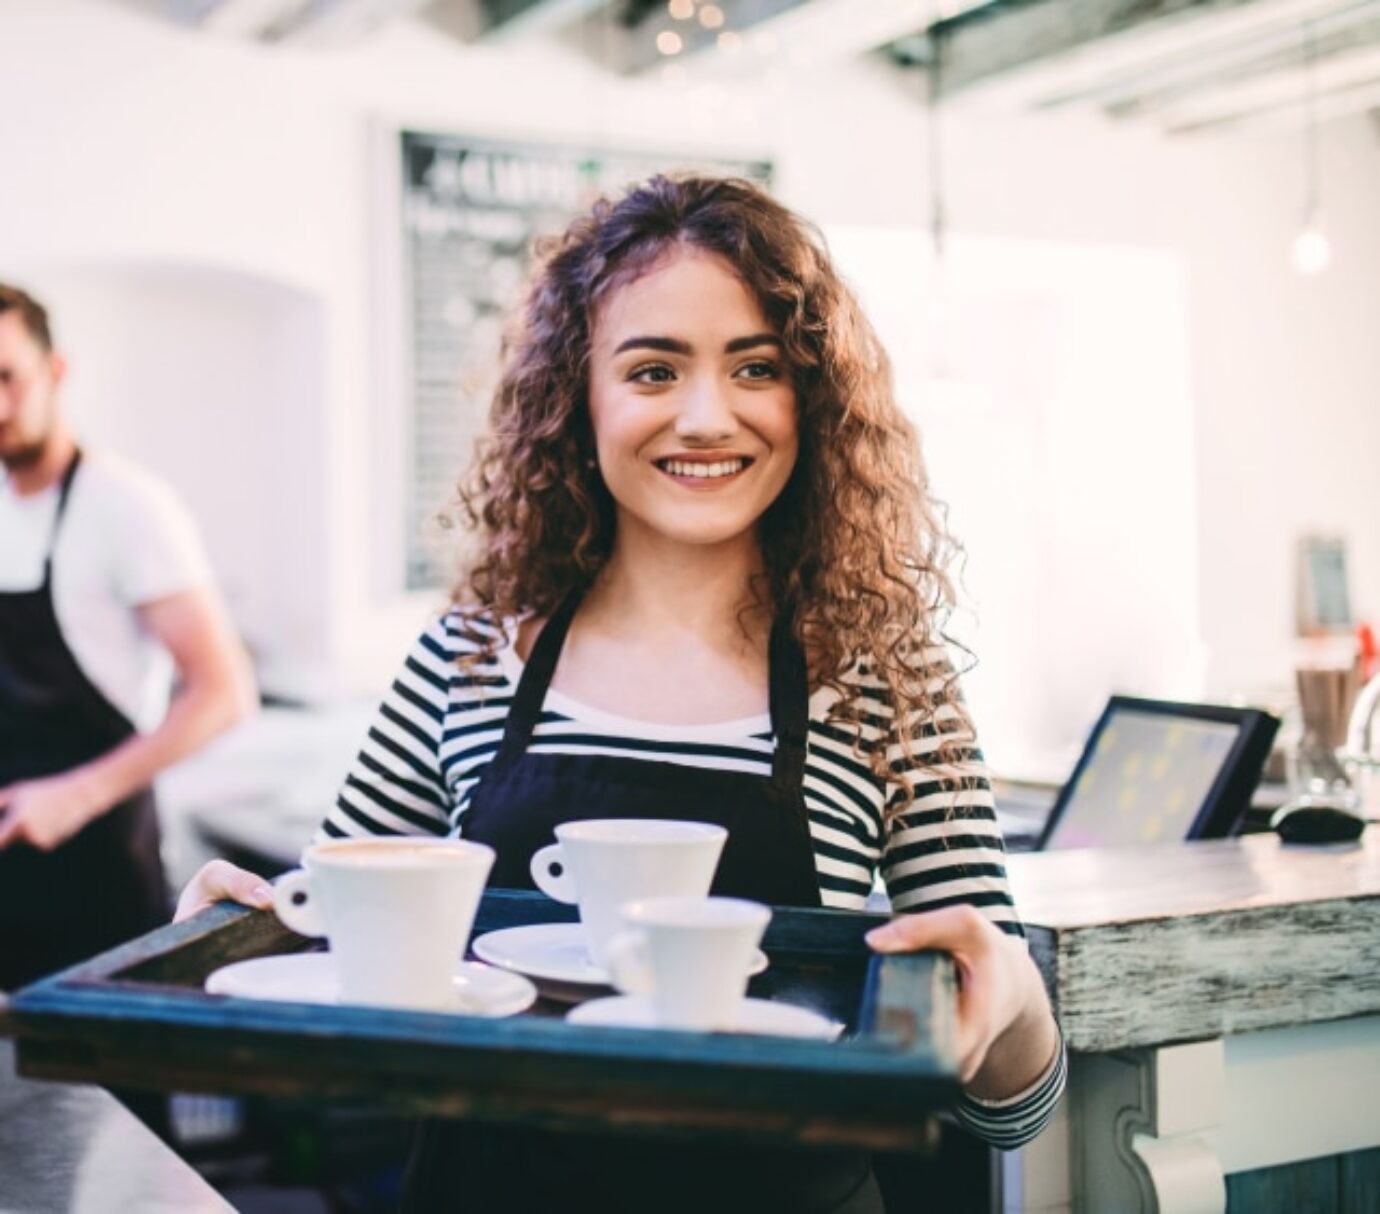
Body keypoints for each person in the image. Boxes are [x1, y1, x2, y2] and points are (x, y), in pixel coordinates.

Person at [179, 175, 1064, 1212]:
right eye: (653, 369)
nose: (705, 416)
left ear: (810, 397)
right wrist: (224, 942)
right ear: (576, 396)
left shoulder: (883, 675)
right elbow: (340, 959)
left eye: (756, 367)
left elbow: (1013, 1108)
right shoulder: (468, 656)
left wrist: (1009, 1008)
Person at [0, 282, 258, 992]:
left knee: (107, 1100)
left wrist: (77, 796)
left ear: (55, 372)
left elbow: (225, 692)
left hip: (97, 882)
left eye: (7, 378)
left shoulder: (127, 508)